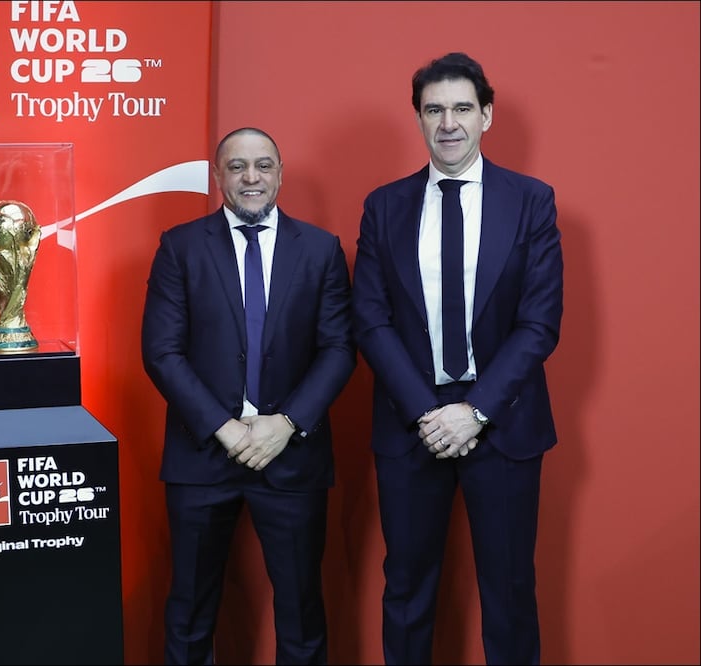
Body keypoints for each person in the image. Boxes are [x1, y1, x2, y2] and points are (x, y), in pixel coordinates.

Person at [351, 52, 563, 665]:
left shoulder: (531, 201)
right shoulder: (384, 205)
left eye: (462, 109)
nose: (449, 123)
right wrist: (428, 412)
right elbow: (370, 318)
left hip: (503, 423)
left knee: (509, 594)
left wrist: (475, 411)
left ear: (487, 116)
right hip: (411, 424)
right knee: (408, 591)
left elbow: (539, 323)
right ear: (417, 119)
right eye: (434, 109)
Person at [142, 127, 356, 664]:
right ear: (219, 178)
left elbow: (338, 349)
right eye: (237, 167)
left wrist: (286, 423)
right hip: (202, 454)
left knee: (302, 610)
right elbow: (161, 352)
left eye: (263, 165)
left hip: (292, 454)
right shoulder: (180, 247)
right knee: (190, 611)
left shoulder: (322, 250)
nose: (251, 177)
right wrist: (226, 427)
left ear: (280, 174)